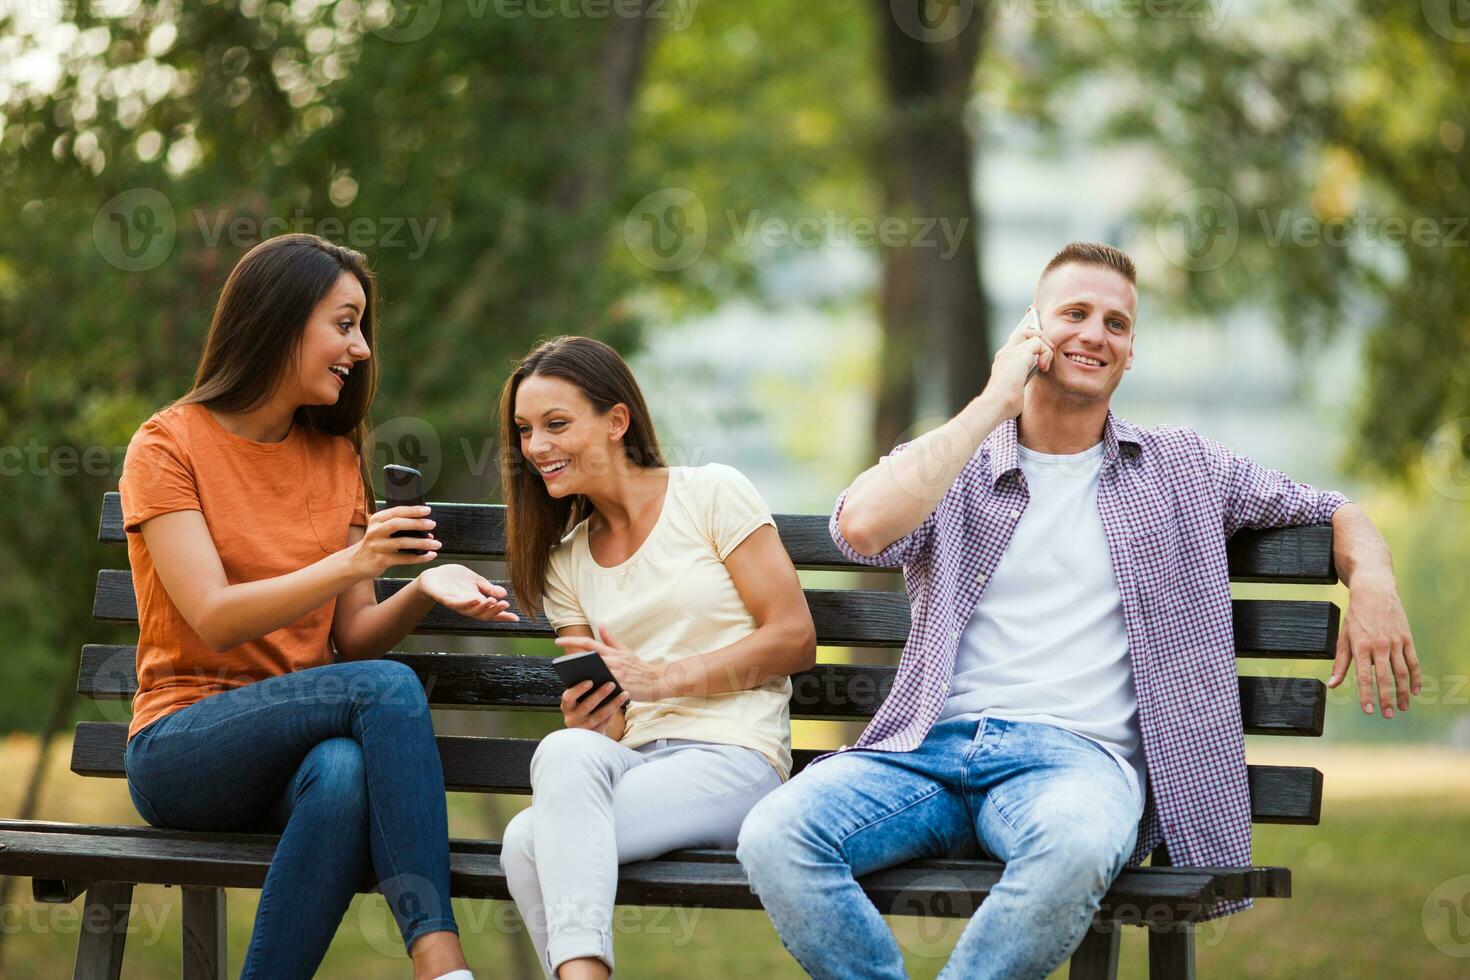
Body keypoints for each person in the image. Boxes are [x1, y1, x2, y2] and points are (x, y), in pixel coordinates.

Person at [737, 241, 1420, 979]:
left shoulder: (1184, 466)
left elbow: (1332, 508)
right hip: (925, 753)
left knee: (1077, 848)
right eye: (1075, 314)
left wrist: (1374, 583)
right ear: (1030, 330)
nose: (1096, 334)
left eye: (1117, 324)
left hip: (1073, 766)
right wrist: (994, 402)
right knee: (775, 834)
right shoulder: (953, 457)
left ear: (1130, 355)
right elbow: (860, 528)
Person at [119, 234, 518, 980]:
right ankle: (439, 958)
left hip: (295, 757)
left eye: (361, 327)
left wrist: (417, 592)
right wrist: (354, 559)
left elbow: (355, 641)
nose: (360, 348)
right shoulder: (167, 446)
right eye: (344, 323)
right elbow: (213, 613)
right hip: (183, 746)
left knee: (341, 775)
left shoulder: (335, 461)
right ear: (280, 318)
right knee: (386, 692)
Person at [496, 336, 816, 980]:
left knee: (526, 844)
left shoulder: (711, 494)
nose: (537, 447)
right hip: (632, 762)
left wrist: (663, 678)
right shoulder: (566, 561)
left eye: (557, 424)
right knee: (561, 754)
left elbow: (793, 638)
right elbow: (609, 723)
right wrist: (597, 715)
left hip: (733, 757)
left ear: (617, 421)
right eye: (526, 431)